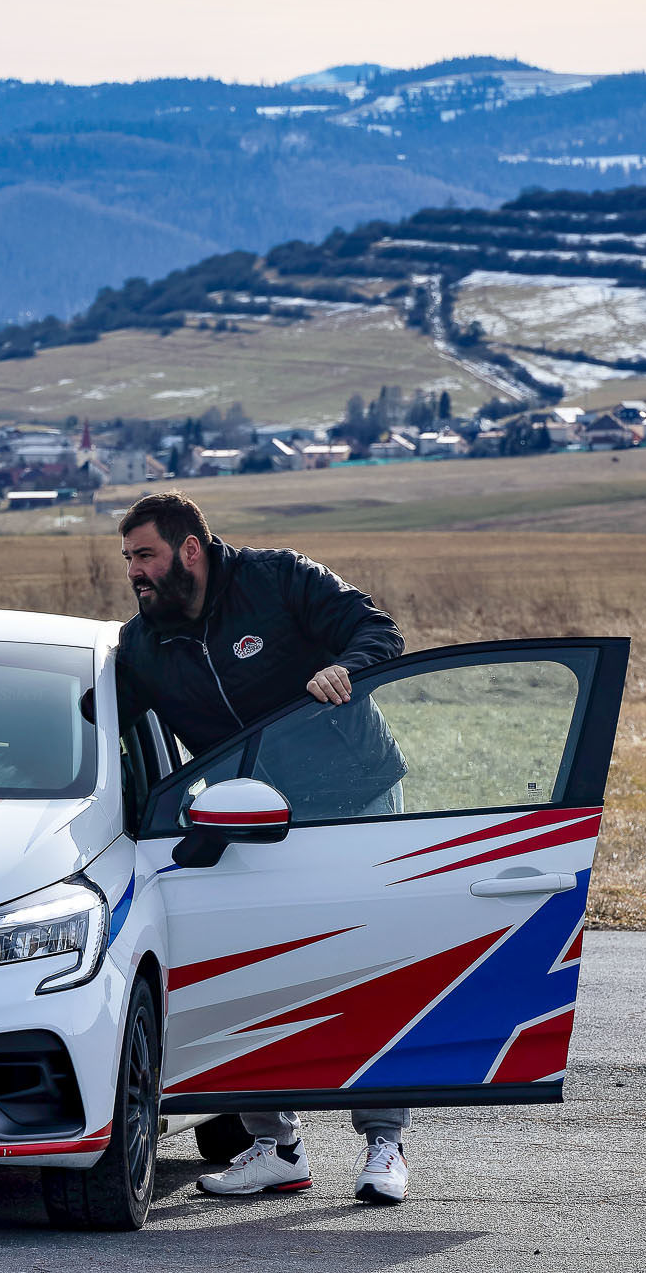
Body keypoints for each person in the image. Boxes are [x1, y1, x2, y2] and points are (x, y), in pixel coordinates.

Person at [114, 491, 411, 1204]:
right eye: (128, 559)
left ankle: (384, 1144)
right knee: (250, 972)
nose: (134, 572)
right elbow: (97, 724)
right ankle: (276, 1148)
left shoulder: (278, 579)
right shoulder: (143, 645)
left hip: (355, 797)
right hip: (248, 816)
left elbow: (378, 631)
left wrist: (347, 668)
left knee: (367, 967)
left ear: (190, 549)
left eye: (145, 555)